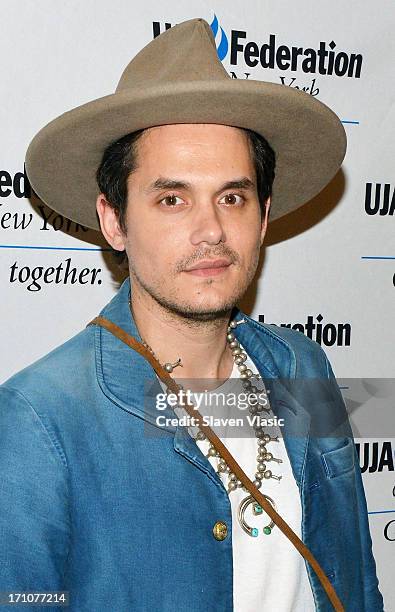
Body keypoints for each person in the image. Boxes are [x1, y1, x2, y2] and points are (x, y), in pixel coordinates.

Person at [0, 18, 383, 612]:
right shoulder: (39, 420)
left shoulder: (302, 363)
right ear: (113, 220)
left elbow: (355, 577)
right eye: (172, 199)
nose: (211, 231)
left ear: (262, 218)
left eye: (232, 197)